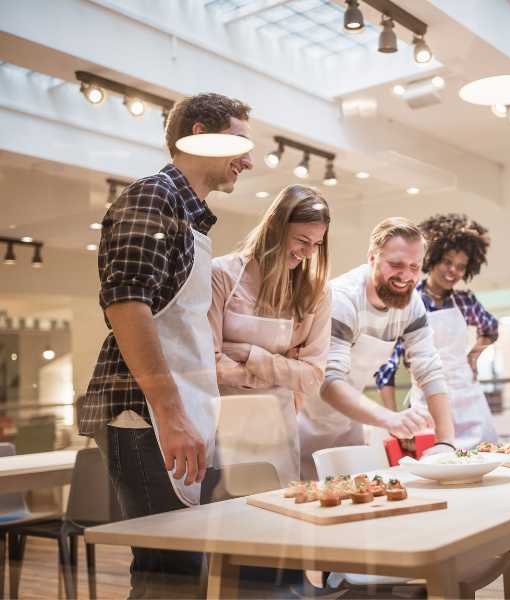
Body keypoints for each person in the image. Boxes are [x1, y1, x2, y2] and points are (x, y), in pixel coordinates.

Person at [79, 93, 253, 597]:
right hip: (143, 415)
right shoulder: (153, 197)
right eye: (240, 142)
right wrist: (172, 413)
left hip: (174, 412)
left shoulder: (190, 213)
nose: (249, 158)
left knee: (183, 571)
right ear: (199, 133)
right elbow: (126, 305)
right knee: (168, 574)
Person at [298, 217, 456, 479]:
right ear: (372, 257)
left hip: (350, 421)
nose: (406, 276)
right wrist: (389, 418)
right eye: (395, 264)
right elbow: (328, 382)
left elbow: (429, 367)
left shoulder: (412, 303)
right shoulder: (342, 298)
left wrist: (446, 440)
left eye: (414, 267)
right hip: (303, 423)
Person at [207, 184, 331, 486]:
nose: (308, 253)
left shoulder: (317, 292)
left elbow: (313, 377)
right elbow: (210, 366)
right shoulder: (221, 274)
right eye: (302, 240)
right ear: (275, 225)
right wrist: (282, 371)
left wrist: (249, 355)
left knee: (280, 515)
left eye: (316, 244)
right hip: (224, 422)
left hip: (279, 425)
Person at [375, 213, 499, 449]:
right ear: (432, 257)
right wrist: (392, 421)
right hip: (428, 407)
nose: (453, 271)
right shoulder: (407, 303)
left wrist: (474, 354)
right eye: (447, 262)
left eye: (461, 267)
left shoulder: (465, 302)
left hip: (470, 402)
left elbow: (491, 327)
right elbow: (386, 366)